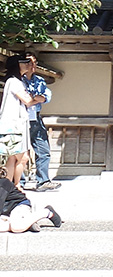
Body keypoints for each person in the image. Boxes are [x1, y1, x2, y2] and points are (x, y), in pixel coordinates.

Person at [0, 56, 42, 189]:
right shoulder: (14, 82)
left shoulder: (17, 81)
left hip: (18, 124)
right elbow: (27, 101)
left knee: (15, 157)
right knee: (21, 157)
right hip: (13, 125)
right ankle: (14, 186)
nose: (27, 65)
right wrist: (39, 99)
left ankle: (10, 187)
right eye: (24, 63)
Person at [22, 54, 60, 191]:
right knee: (20, 151)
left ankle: (43, 181)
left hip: (35, 117)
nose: (34, 66)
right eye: (31, 63)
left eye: (35, 63)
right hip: (21, 116)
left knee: (43, 148)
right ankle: (19, 182)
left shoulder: (39, 80)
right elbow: (25, 98)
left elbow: (46, 96)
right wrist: (35, 98)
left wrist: (36, 98)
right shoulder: (18, 81)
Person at [0, 166, 62, 232]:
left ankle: (46, 212)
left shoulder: (3, 183)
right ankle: (27, 222)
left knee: (16, 227)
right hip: (6, 213)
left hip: (18, 205)